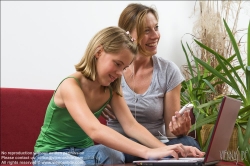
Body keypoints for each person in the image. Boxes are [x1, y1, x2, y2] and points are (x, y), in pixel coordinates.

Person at [32, 26, 204, 166]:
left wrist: (169, 149)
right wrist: (148, 152)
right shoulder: (70, 85)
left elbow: (131, 126)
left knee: (113, 155)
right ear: (99, 52)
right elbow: (95, 130)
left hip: (84, 152)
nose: (120, 73)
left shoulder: (110, 89)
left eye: (124, 67)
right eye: (117, 64)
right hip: (50, 154)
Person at [102, 3, 201, 163]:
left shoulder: (168, 71)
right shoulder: (113, 69)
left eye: (156, 28)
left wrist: (178, 130)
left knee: (189, 143)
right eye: (146, 31)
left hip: (157, 143)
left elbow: (170, 132)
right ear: (127, 35)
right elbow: (80, 97)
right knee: (114, 153)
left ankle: (159, 156)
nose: (155, 35)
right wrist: (96, 105)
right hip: (120, 146)